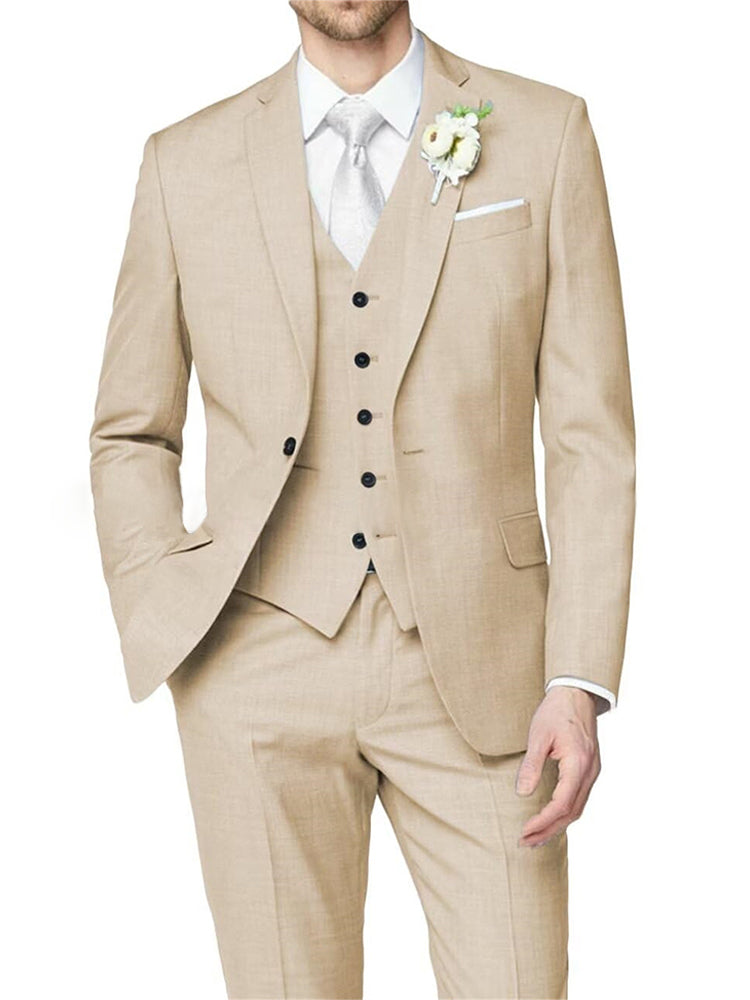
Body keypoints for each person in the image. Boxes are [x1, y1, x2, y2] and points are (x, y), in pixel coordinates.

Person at [89, 2, 636, 996]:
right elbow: (131, 430)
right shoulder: (184, 164)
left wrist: (578, 676)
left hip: (492, 671)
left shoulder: (546, 132)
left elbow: (590, 437)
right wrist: (166, 614)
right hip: (256, 664)